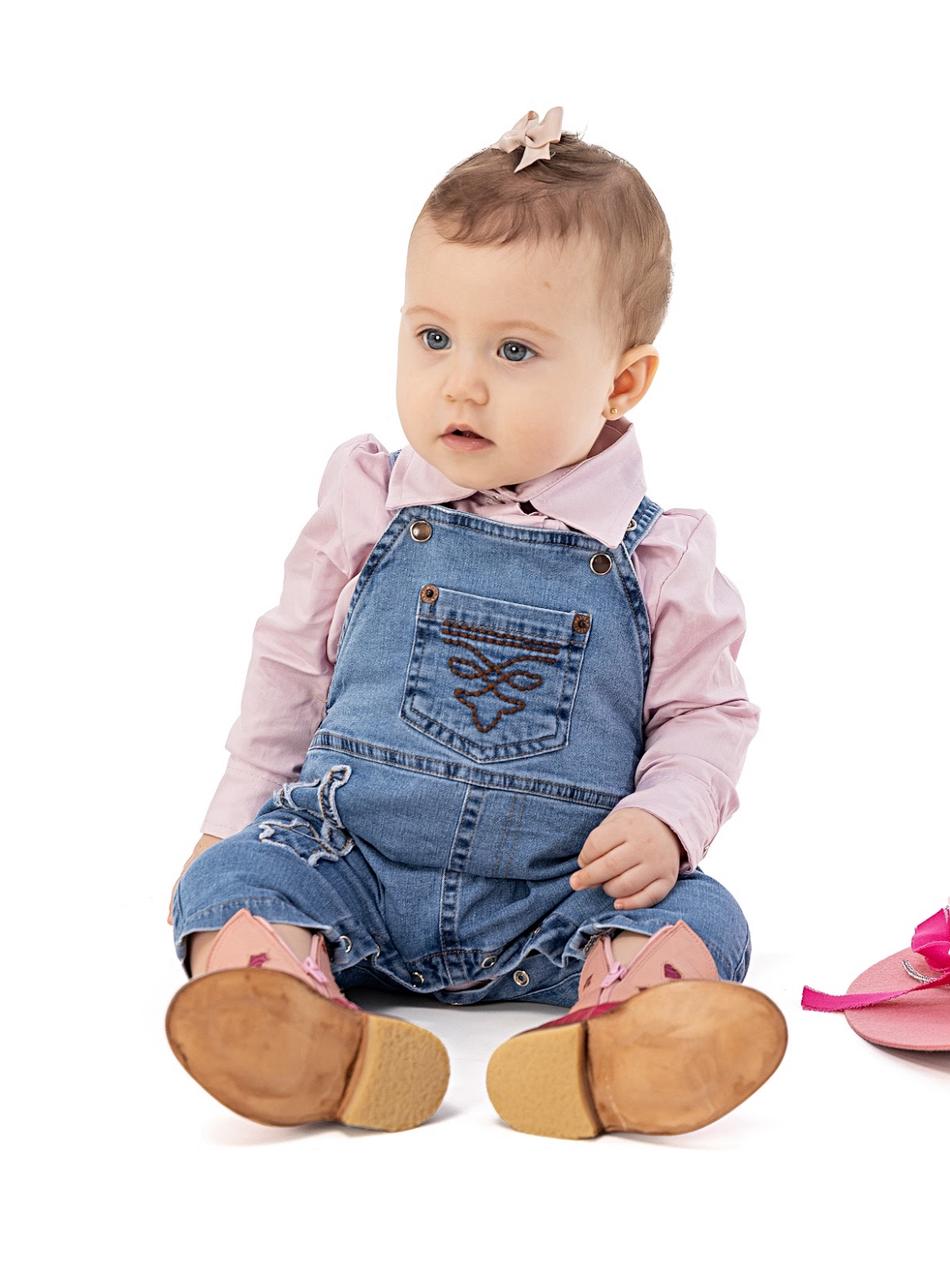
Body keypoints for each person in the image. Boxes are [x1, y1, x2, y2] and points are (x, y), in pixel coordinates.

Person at [165, 106, 787, 1139]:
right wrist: (231, 814)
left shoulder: (658, 553)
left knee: (703, 914)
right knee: (229, 880)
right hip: (351, 864)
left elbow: (705, 713)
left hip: (558, 893)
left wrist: (666, 818)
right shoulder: (369, 501)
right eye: (433, 336)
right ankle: (289, 1015)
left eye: (514, 349)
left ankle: (618, 1033)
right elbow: (289, 665)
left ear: (621, 380)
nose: (460, 380)